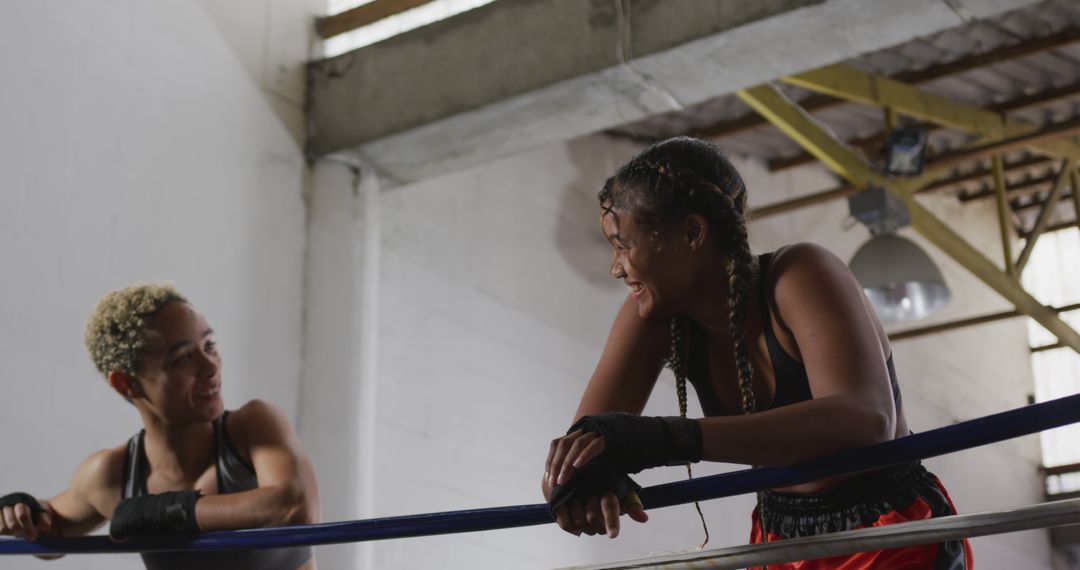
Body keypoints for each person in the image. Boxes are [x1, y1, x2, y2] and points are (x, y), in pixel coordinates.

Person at [542, 137, 973, 568]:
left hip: (889, 530)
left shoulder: (798, 275)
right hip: (778, 538)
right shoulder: (652, 314)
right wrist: (580, 482)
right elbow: (578, 451)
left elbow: (866, 420)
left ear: (692, 233)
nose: (615, 267)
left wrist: (669, 438)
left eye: (624, 246)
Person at [0, 284, 320, 569]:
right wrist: (22, 510)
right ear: (127, 383)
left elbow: (294, 507)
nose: (211, 367)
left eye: (209, 346)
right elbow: (52, 534)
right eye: (183, 359)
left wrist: (163, 513)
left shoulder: (251, 428)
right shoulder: (112, 474)